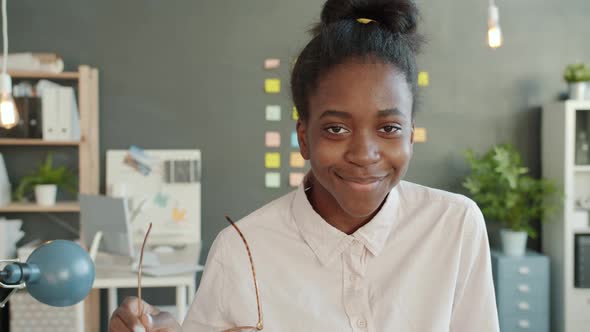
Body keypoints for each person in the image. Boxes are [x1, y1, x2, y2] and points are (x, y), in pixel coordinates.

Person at [109, 0, 500, 331]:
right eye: (335, 128)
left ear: (411, 135)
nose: (364, 154)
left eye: (389, 127)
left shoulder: (454, 226)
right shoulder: (241, 251)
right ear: (303, 138)